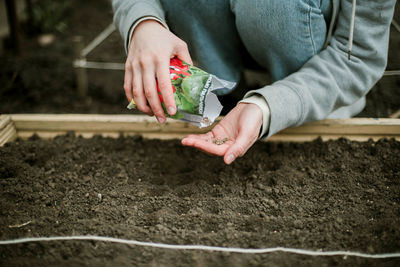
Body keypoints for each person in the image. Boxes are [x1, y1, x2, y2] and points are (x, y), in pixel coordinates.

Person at [113, 0, 396, 164]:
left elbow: (357, 56)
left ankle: (283, 102)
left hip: (307, 74)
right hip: (218, 58)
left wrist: (269, 106)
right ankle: (224, 94)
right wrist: (143, 23)